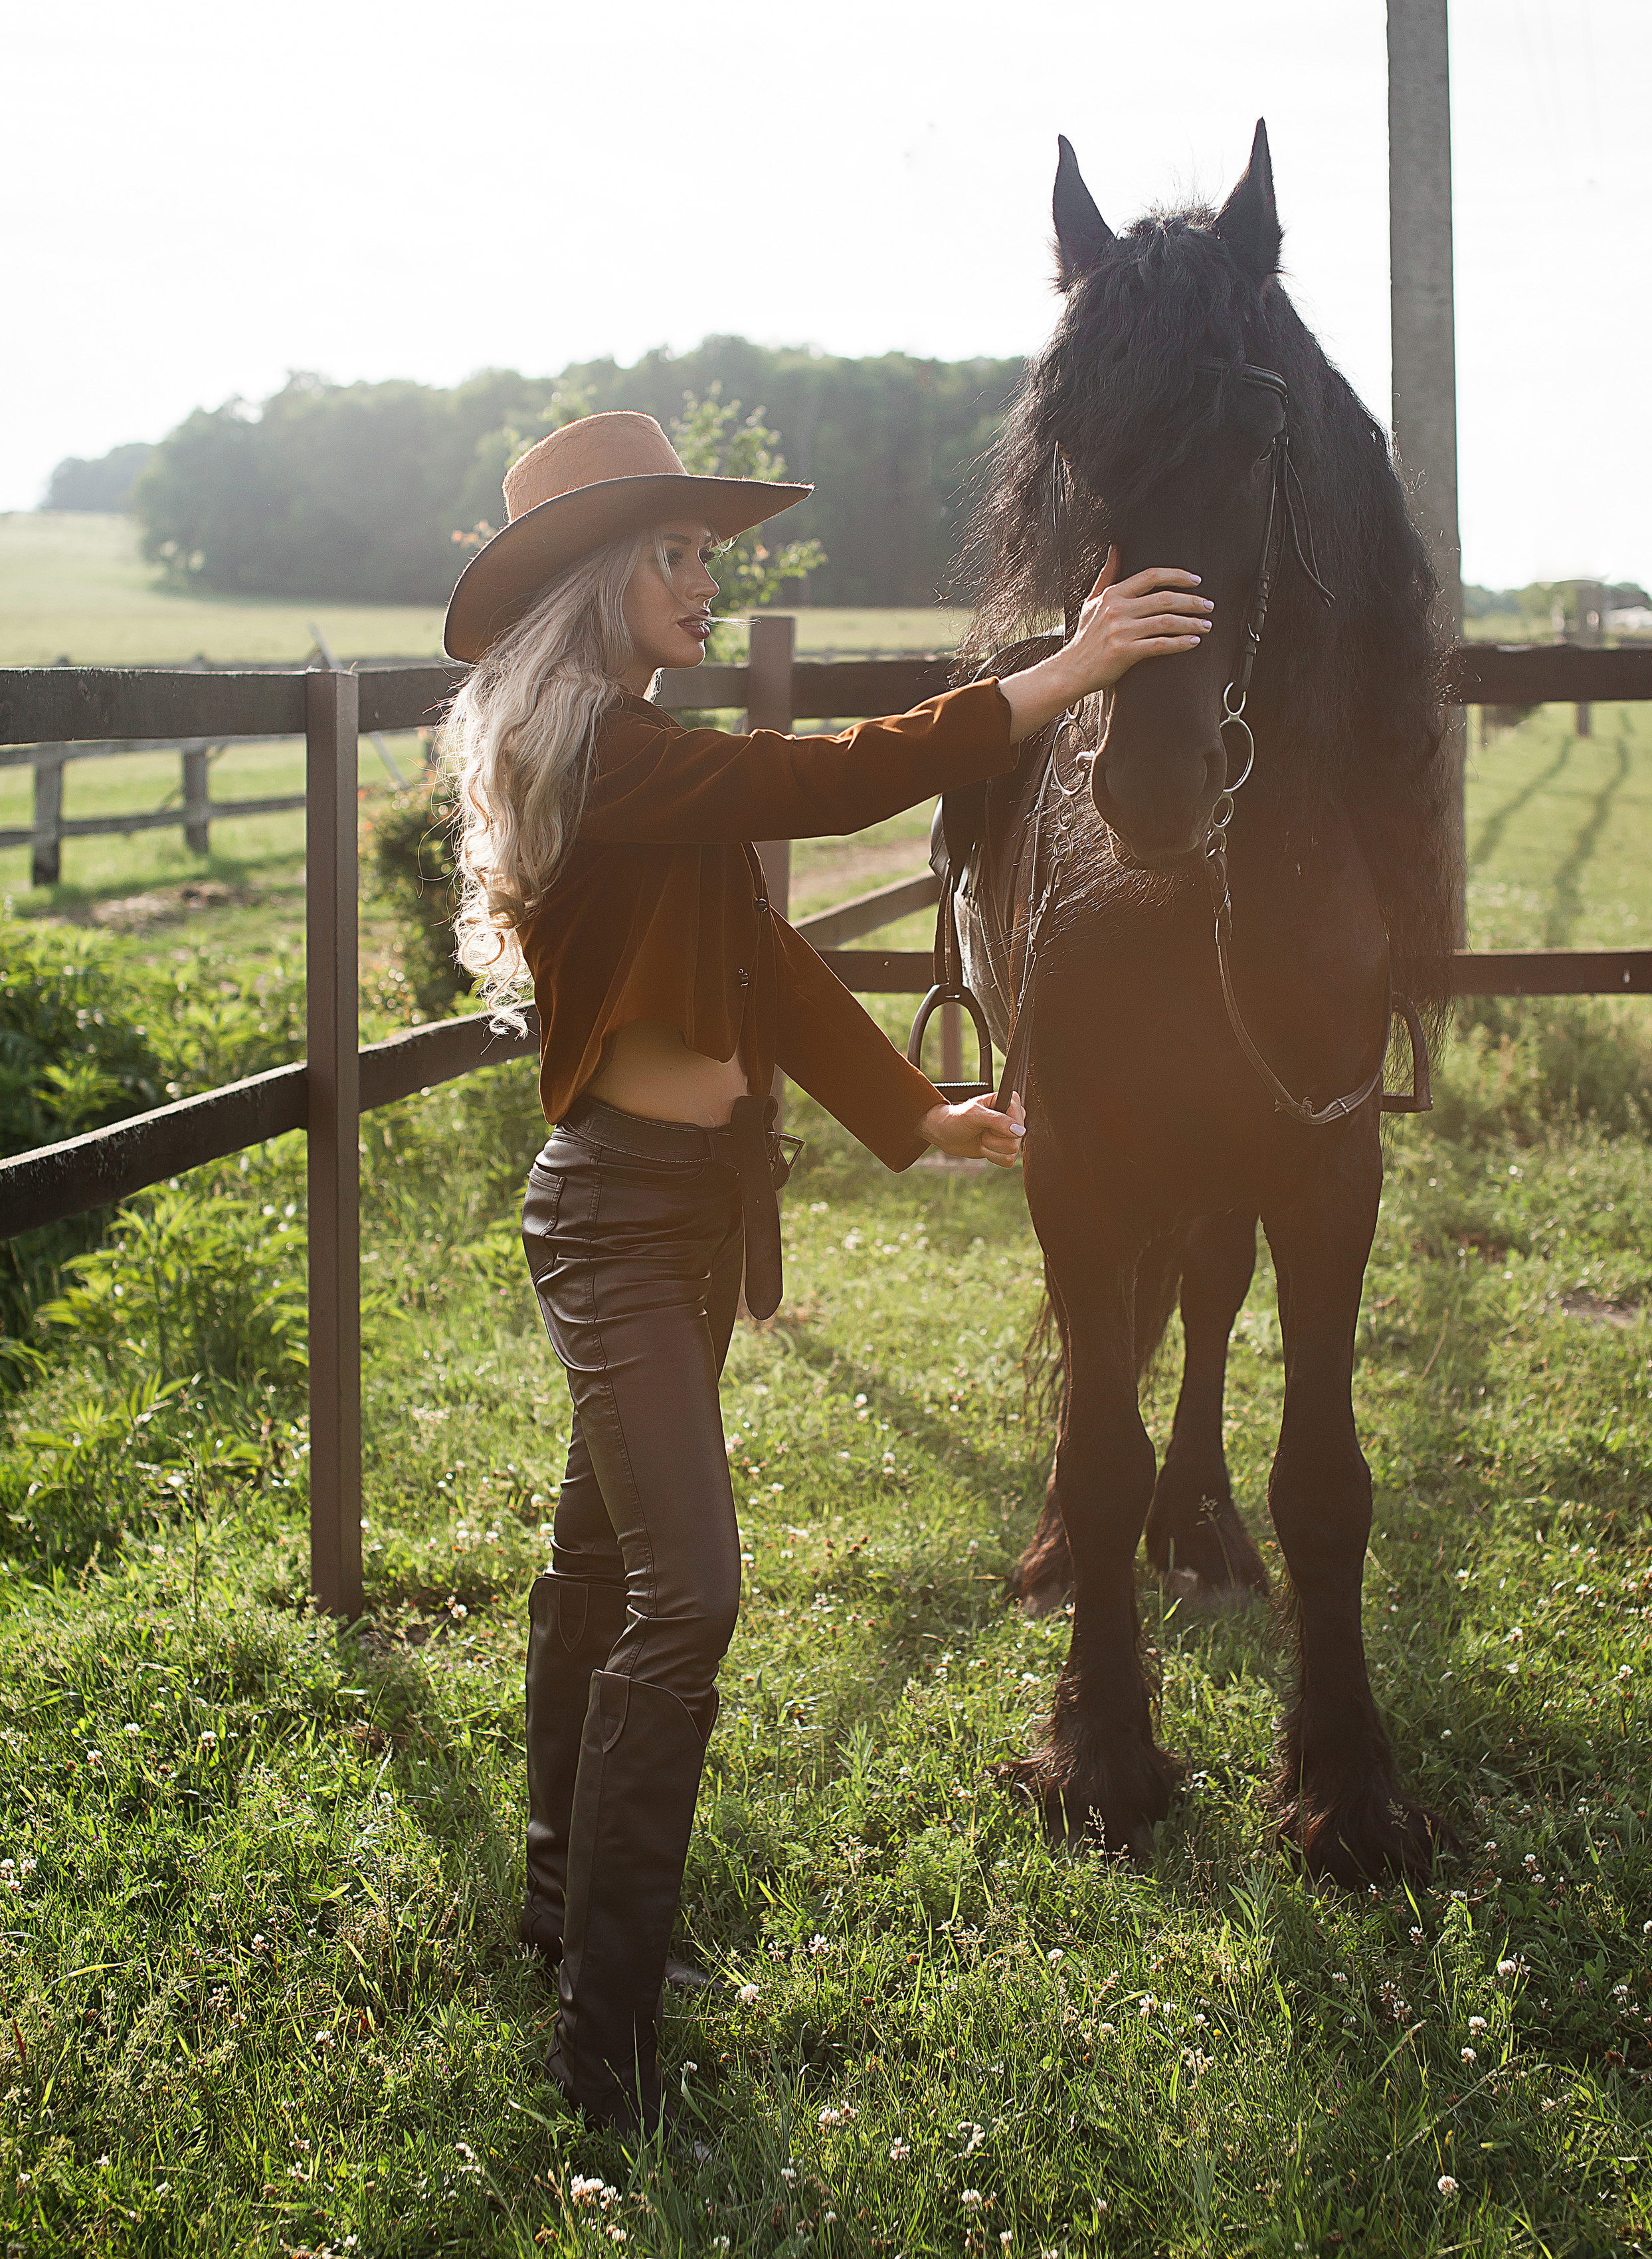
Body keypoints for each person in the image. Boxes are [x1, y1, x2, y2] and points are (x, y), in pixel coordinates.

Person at [438, 409, 1211, 2132]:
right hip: (617, 1220)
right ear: (602, 576)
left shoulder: (641, 752)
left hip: (695, 1209)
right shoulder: (602, 754)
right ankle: (603, 2052)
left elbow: (767, 958)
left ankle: (567, 1924)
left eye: (712, 552)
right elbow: (839, 777)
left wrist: (915, 1113)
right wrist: (1064, 672)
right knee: (686, 1597)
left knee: (599, 1562)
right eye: (683, 553)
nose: (712, 580)